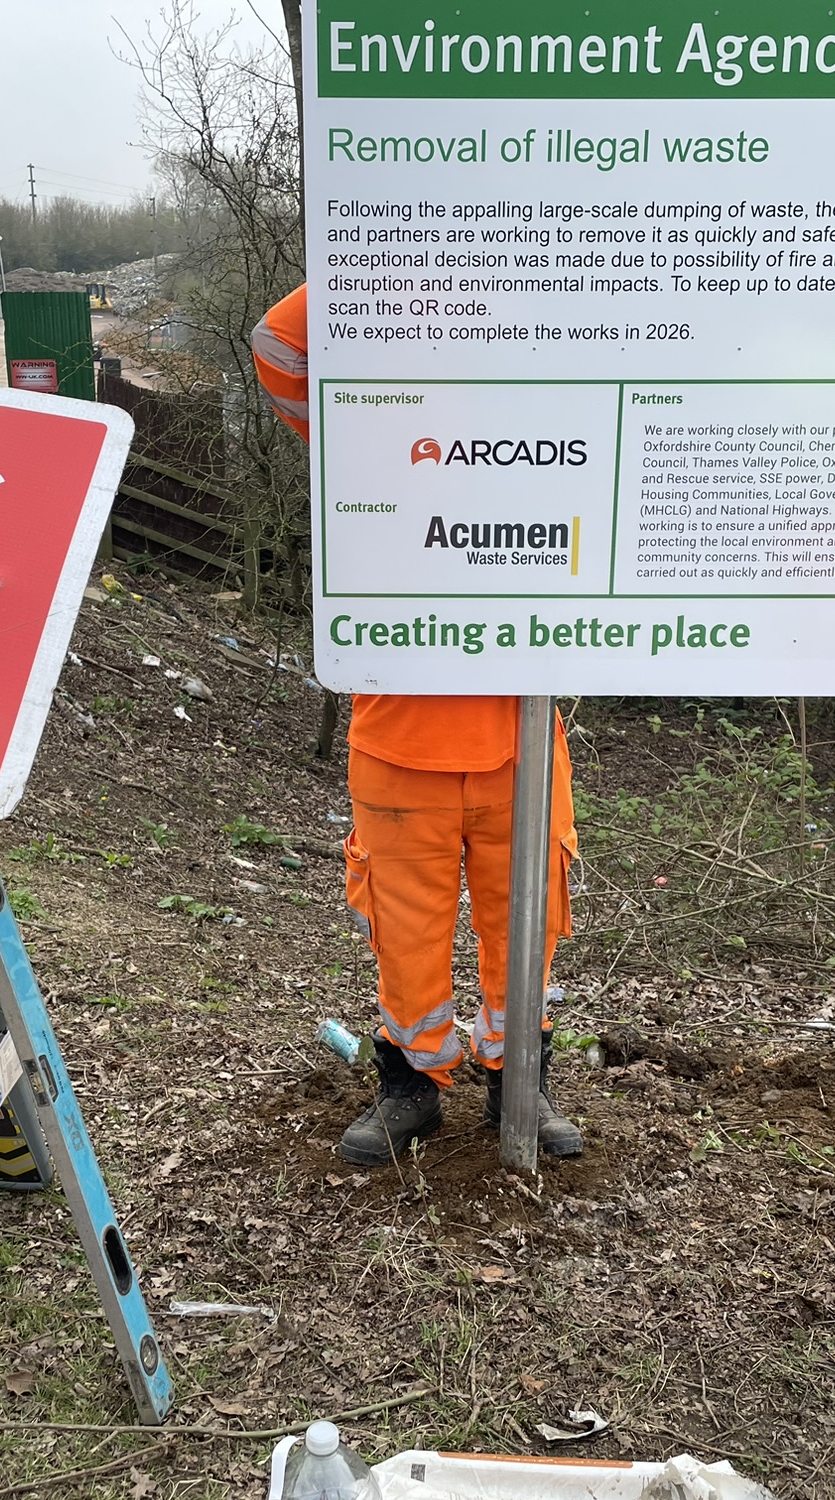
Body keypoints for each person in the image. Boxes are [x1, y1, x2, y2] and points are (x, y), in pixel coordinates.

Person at [251, 285, 582, 1164]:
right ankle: (410, 1088)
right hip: (397, 741)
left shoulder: (559, 439)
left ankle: (521, 1083)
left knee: (528, 930)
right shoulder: (368, 437)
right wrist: (410, 250)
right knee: (405, 934)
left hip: (522, 740)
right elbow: (280, 344)